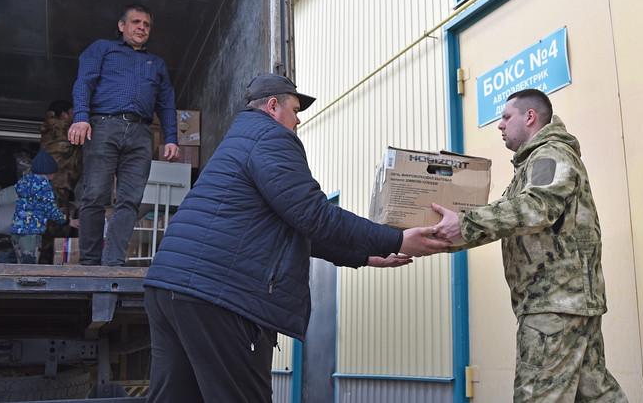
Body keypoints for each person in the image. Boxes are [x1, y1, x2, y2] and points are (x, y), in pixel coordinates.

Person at [143, 73, 451, 402]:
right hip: (219, 296)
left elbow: (291, 224)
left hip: (168, 286)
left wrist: (362, 255)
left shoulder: (239, 141)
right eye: (295, 108)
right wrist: (397, 240)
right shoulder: (271, 137)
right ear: (273, 106)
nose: (299, 118)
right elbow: (313, 215)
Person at [431, 89, 627, 402]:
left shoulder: (550, 154)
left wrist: (464, 223)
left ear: (530, 117)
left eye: (506, 117)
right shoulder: (532, 165)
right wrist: (439, 238)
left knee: (537, 395)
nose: (500, 125)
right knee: (596, 394)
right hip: (566, 305)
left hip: (553, 306)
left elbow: (537, 208)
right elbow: (508, 217)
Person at [68, 3, 180, 266]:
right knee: (95, 195)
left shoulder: (157, 64)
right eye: (135, 22)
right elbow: (83, 82)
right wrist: (82, 118)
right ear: (122, 26)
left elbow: (166, 103)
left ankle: (113, 264)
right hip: (104, 125)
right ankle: (89, 264)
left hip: (141, 133)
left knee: (130, 199)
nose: (141, 27)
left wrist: (172, 138)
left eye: (146, 24)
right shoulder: (102, 49)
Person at [10, 149, 79, 264]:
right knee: (30, 267)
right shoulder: (44, 185)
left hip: (16, 230)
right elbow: (50, 210)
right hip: (31, 233)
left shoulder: (24, 182)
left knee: (21, 265)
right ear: (49, 173)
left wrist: (55, 210)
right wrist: (66, 220)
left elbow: (35, 206)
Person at [39, 99, 82, 263]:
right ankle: (48, 270)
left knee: (47, 234)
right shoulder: (64, 131)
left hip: (52, 186)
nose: (75, 115)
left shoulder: (50, 130)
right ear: (64, 114)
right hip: (57, 187)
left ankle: (44, 267)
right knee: (55, 233)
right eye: (72, 111)